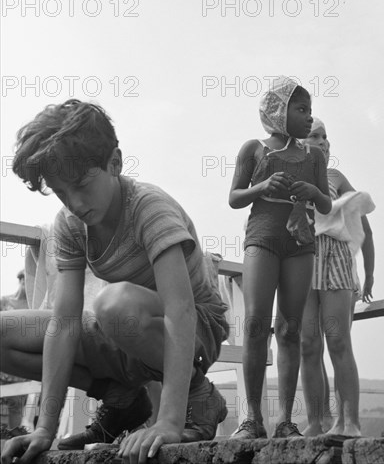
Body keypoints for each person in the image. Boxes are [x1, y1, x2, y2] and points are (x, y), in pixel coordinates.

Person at [0, 99, 229, 464]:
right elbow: (64, 323)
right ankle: (120, 397)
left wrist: (169, 420)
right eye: (61, 192)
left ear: (115, 163)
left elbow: (180, 309)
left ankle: (200, 395)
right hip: (121, 334)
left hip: (194, 329)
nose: (74, 202)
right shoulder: (71, 225)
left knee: (114, 304)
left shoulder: (149, 209)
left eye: (82, 185)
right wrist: (45, 428)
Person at [228, 76, 331, 439]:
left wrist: (313, 190)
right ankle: (252, 419)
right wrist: (261, 186)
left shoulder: (314, 155)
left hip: (301, 243)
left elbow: (326, 204)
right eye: (301, 109)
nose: (308, 117)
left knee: (290, 330)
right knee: (256, 326)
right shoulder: (252, 150)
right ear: (277, 111)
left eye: (310, 111)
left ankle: (285, 421)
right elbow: (235, 197)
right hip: (262, 239)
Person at [300, 119, 375, 437]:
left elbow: (365, 227)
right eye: (314, 136)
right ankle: (318, 421)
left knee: (338, 341)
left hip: (335, 261)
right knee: (307, 344)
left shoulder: (335, 177)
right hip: (301, 262)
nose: (323, 141)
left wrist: (369, 274)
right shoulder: (289, 180)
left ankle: (350, 423)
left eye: (326, 136)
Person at [0, 270, 30, 430]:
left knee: (16, 406)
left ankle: (12, 443)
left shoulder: (34, 306)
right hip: (2, 359)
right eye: (27, 279)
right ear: (21, 280)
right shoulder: (3, 301)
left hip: (19, 364)